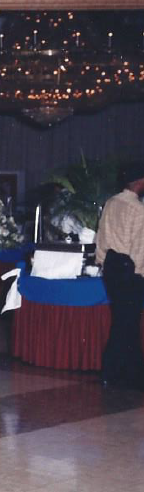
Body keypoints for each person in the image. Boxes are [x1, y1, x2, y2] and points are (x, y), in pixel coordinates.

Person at [95, 160, 144, 389]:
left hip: (112, 270)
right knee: (127, 324)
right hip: (131, 273)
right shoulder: (138, 209)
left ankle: (125, 372)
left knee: (125, 322)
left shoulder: (111, 202)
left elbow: (101, 238)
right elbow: (140, 249)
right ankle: (113, 372)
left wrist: (103, 263)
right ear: (139, 183)